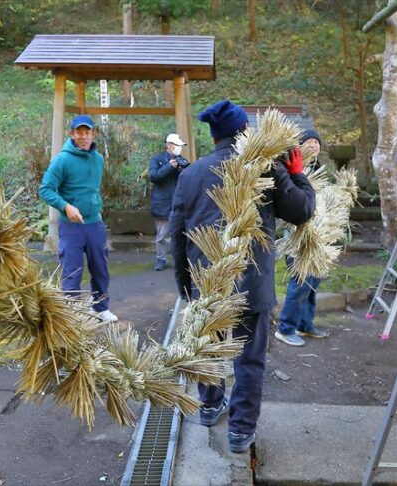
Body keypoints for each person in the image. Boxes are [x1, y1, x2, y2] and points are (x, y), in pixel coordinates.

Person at [169, 100, 316, 453]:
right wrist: (296, 175)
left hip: (208, 282)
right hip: (251, 283)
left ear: (215, 136)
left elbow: (177, 235)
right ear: (244, 132)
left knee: (208, 348)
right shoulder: (265, 168)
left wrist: (185, 287)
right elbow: (302, 211)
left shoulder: (191, 174)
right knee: (249, 357)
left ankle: (209, 406)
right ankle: (239, 431)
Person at [39, 115, 118, 322]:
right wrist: (66, 206)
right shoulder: (62, 160)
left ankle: (100, 308)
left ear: (93, 134)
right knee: (71, 271)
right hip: (71, 225)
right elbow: (45, 189)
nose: (84, 136)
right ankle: (71, 314)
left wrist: (94, 207)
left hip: (95, 223)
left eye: (87, 132)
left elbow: (91, 188)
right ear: (72, 134)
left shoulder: (98, 159)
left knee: (100, 268)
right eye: (79, 132)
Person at [274, 128, 331, 347]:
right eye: (309, 142)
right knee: (300, 281)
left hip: (318, 233)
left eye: (317, 143)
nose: (314, 145)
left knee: (314, 279)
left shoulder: (319, 169)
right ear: (299, 146)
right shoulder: (290, 167)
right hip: (296, 235)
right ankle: (285, 328)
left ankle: (305, 324)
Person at [148, 133, 189, 271]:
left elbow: (187, 179)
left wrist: (184, 169)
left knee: (179, 234)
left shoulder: (181, 160)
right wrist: (169, 166)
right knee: (161, 236)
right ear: (169, 145)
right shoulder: (157, 159)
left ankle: (180, 259)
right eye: (177, 145)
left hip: (177, 203)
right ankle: (161, 259)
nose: (179, 149)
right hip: (161, 203)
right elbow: (153, 176)